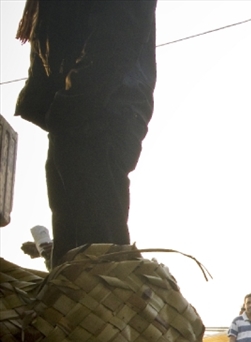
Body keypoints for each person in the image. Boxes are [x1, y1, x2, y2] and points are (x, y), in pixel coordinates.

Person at [14, 0, 157, 267]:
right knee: (75, 260)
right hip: (78, 114)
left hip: (99, 111)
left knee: (100, 261)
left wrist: (73, 101)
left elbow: (119, 33)